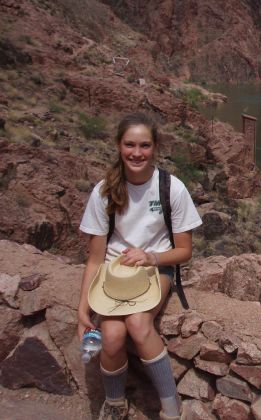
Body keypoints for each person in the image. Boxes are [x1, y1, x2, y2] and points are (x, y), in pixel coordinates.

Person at [77, 112, 202, 420]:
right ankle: (115, 403)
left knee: (138, 324)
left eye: (144, 145)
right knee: (113, 336)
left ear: (155, 147)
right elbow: (95, 258)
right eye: (130, 144)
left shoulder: (172, 189)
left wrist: (151, 257)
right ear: (119, 145)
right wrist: (83, 309)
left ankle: (171, 408)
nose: (137, 152)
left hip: (156, 269)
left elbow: (184, 251)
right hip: (115, 276)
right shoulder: (104, 191)